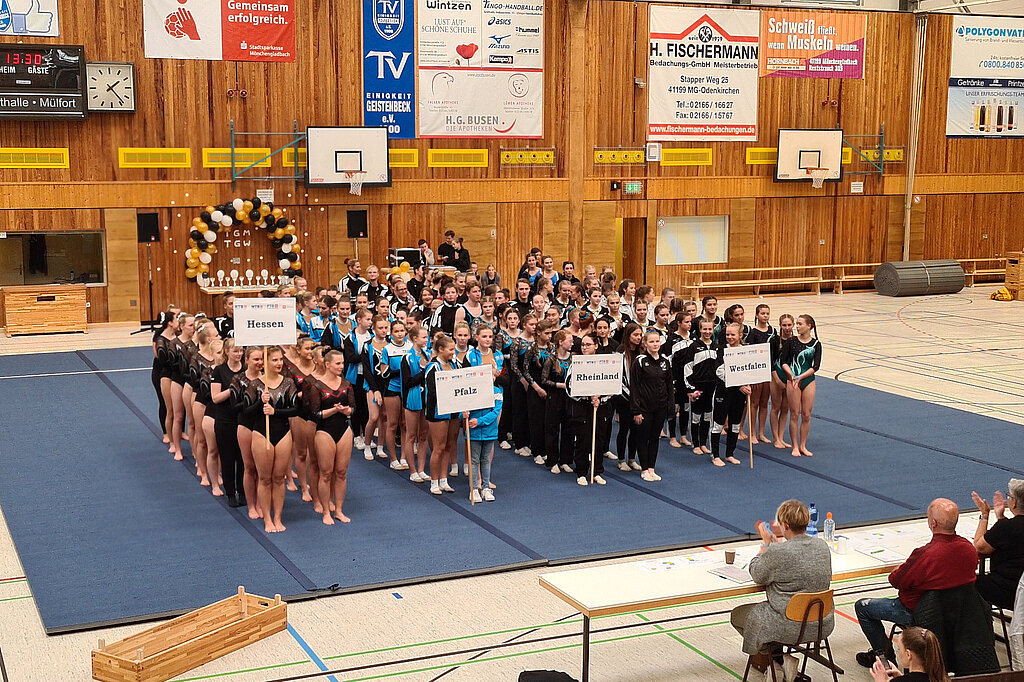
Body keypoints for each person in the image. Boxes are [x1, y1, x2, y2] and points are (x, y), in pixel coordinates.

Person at [854, 498, 978, 666]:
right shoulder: (969, 549)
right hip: (958, 612)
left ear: (933, 523)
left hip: (919, 612)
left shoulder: (926, 554)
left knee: (863, 607)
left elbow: (896, 580)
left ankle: (885, 660)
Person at [730, 500, 833, 680]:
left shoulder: (779, 552)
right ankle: (781, 661)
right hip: (820, 623)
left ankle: (775, 661)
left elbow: (757, 574)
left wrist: (766, 546)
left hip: (787, 625)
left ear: (785, 525)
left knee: (738, 615)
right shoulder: (822, 546)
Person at [246, 346, 301, 533]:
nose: (279, 363)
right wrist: (259, 402)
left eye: (280, 360)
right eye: (274, 360)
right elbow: (245, 412)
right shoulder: (255, 384)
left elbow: (295, 409)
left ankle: (278, 517)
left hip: (283, 433)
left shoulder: (288, 383)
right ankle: (267, 519)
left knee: (279, 478)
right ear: (266, 362)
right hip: (262, 433)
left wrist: (275, 411)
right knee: (265, 478)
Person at [307, 349, 355, 525]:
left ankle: (339, 510)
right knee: (326, 473)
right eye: (338, 363)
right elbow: (314, 413)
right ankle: (326, 510)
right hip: (324, 431)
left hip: (343, 429)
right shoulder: (316, 386)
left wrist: (346, 411)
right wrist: (335, 410)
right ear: (327, 364)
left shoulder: (346, 384)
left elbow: (353, 408)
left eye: (342, 363)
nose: (341, 366)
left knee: (341, 472)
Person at [970, 479, 1024, 610]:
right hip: (1019, 587)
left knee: (964, 585)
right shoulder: (1007, 527)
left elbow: (978, 547)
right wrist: (1001, 518)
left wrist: (984, 515)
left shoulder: (1007, 527)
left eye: (1009, 496)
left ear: (1014, 502)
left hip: (1009, 591)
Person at [630, 329, 673, 482]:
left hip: (660, 407)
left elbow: (669, 386)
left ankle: (651, 468)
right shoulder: (640, 361)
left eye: (657, 341)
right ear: (645, 343)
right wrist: (636, 410)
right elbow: (634, 386)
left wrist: (671, 407)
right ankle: (644, 468)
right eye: (651, 342)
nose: (655, 344)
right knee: (643, 438)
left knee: (654, 438)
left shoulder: (665, 361)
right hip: (644, 408)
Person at [569, 333, 611, 486]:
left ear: (596, 346)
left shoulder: (604, 363)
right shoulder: (576, 364)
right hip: (582, 408)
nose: (584, 347)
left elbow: (611, 383)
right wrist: (588, 396)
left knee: (599, 439)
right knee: (582, 440)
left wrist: (600, 396)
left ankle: (597, 471)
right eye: (582, 345)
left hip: (600, 407)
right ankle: (581, 472)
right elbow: (570, 386)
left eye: (588, 344)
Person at [424, 334, 462, 495]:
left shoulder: (455, 364)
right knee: (438, 447)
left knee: (449, 444)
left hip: (453, 409)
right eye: (451, 349)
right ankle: (434, 481)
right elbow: (432, 391)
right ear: (441, 349)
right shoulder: (432, 367)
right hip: (438, 411)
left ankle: (444, 479)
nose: (454, 352)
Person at [710, 323, 751, 467]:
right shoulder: (722, 350)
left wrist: (747, 384)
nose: (730, 337)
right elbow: (720, 372)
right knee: (718, 424)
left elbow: (749, 370)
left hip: (739, 395)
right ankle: (715, 454)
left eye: (733, 334)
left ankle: (730, 453)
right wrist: (739, 385)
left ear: (740, 335)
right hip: (724, 392)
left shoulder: (745, 351)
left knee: (735, 425)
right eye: (728, 334)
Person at [780, 314, 822, 458]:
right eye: (796, 324)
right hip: (793, 380)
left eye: (800, 324)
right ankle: (795, 446)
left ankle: (803, 445)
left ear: (809, 326)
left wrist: (801, 377)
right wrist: (791, 375)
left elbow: (816, 366)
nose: (797, 327)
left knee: (806, 415)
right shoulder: (791, 341)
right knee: (794, 414)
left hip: (807, 379)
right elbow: (783, 361)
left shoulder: (816, 344)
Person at [211, 339, 244, 507]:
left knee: (243, 459)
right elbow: (215, 398)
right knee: (228, 457)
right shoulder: (219, 371)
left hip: (243, 419)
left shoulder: (246, 369)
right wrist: (233, 388)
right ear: (227, 352)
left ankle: (243, 491)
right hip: (225, 419)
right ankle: (230, 492)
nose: (238, 354)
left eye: (240, 351)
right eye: (235, 351)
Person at [541, 329, 575, 475]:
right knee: (552, 430)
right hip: (554, 397)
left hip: (569, 398)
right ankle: (553, 460)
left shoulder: (573, 358)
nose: (573, 343)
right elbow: (543, 380)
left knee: (568, 429)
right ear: (561, 342)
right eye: (570, 340)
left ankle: (566, 460)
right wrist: (559, 385)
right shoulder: (551, 359)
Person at [400, 324, 432, 482]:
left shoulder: (427, 354)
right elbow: (407, 382)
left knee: (423, 435)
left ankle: (421, 469)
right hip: (412, 398)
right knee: (411, 435)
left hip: (425, 397)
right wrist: (423, 370)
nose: (427, 339)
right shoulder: (407, 357)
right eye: (424, 337)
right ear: (414, 338)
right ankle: (413, 471)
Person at [683, 319, 717, 456]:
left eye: (710, 329)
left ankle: (703, 443)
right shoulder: (694, 346)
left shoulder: (716, 346)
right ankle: (695, 443)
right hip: (698, 386)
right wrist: (690, 388)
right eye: (705, 329)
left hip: (712, 386)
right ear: (700, 330)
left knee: (707, 416)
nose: (707, 332)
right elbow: (687, 367)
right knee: (696, 415)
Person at [870, 627, 949, 682]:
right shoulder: (939, 676)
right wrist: (901, 677)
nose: (899, 651)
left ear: (908, 654)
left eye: (899, 649)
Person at [745, 304, 775, 444]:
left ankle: (761, 432)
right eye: (762, 313)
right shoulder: (753, 332)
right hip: (757, 371)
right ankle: (752, 433)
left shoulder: (773, 331)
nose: (765, 316)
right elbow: (750, 354)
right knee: (754, 403)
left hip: (769, 371)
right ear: (757, 315)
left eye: (767, 313)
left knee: (764, 403)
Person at [615, 322, 643, 471]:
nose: (638, 338)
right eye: (635, 335)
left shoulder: (642, 352)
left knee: (636, 430)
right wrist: (631, 396)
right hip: (624, 398)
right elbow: (618, 377)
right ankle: (621, 459)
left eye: (640, 335)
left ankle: (632, 458)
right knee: (624, 429)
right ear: (628, 335)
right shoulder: (621, 351)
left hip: (639, 398)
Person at [770, 314, 795, 450]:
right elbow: (770, 361)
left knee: (785, 408)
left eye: (789, 325)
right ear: (780, 325)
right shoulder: (774, 340)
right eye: (784, 325)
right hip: (776, 377)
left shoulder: (795, 341)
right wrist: (777, 379)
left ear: (793, 325)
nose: (787, 328)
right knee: (776, 407)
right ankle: (776, 438)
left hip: (789, 377)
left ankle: (781, 436)